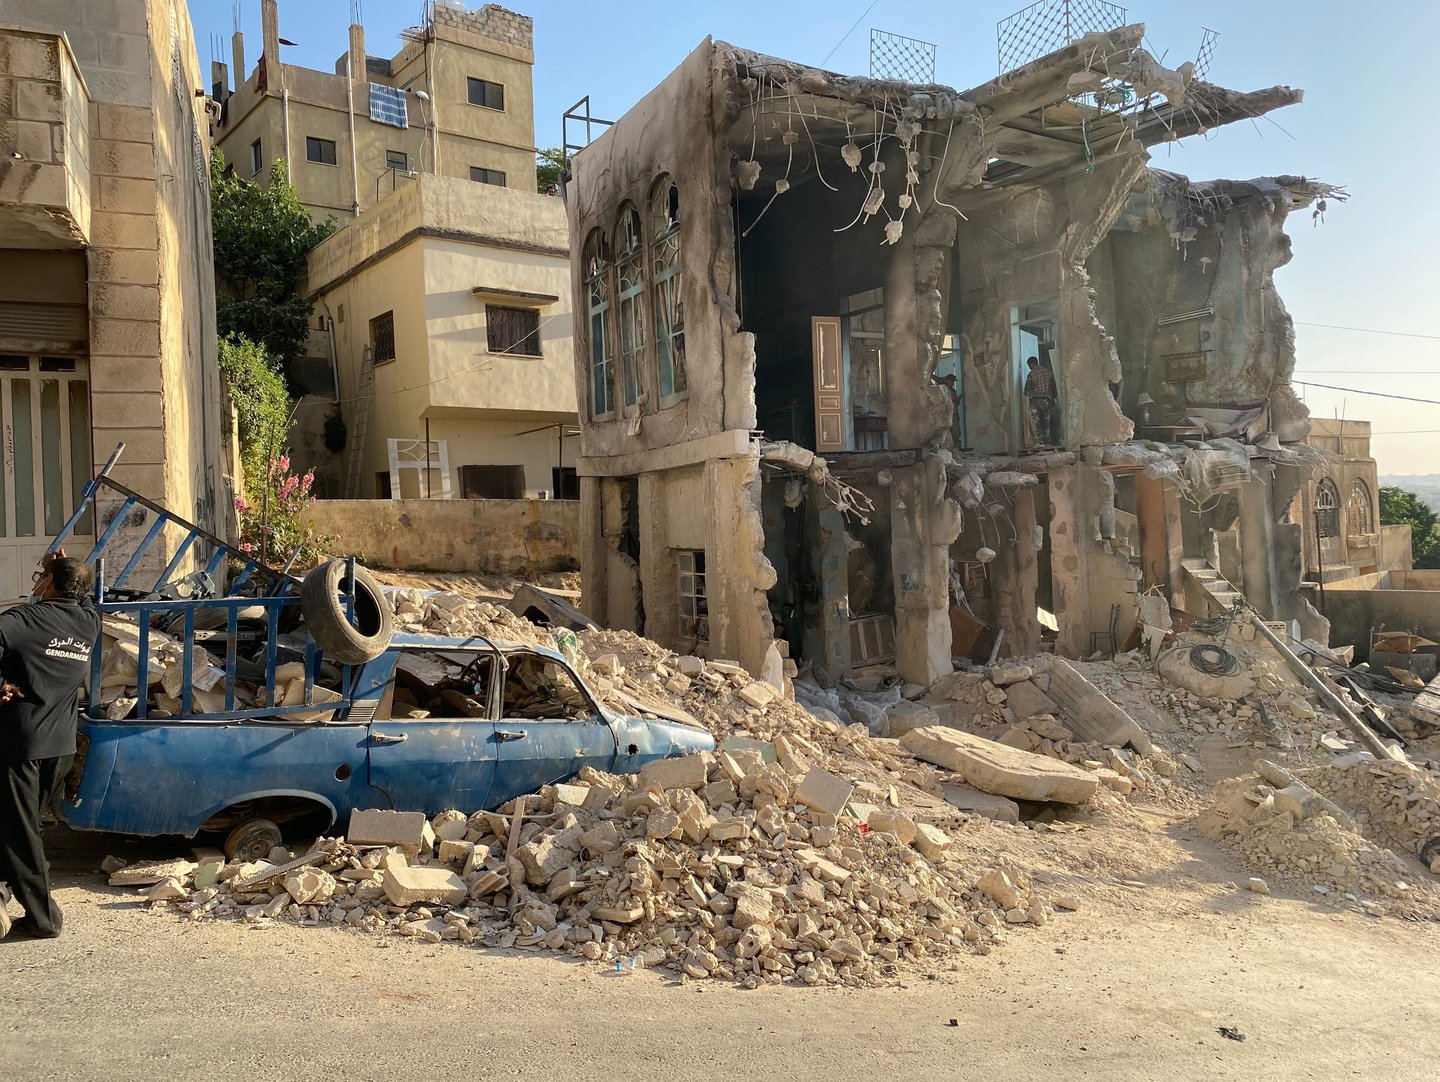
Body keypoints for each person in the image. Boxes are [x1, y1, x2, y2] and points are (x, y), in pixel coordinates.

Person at [0, 550, 99, 940]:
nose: (37, 583)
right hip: (60, 748)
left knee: (21, 832)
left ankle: (44, 919)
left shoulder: (22, 620)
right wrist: (62, 566)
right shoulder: (89, 622)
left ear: (50, 584)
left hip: (21, 745)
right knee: (20, 826)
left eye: (42, 576)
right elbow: (84, 595)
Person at [1023, 356, 1061, 447]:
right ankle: (1048, 442)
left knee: (1036, 422)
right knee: (1046, 421)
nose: (1030, 368)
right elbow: (1054, 388)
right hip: (1047, 400)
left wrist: (1029, 394)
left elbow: (1027, 390)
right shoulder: (1048, 372)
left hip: (1035, 400)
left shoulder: (1031, 374)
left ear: (1031, 364)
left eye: (1029, 366)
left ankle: (1040, 442)